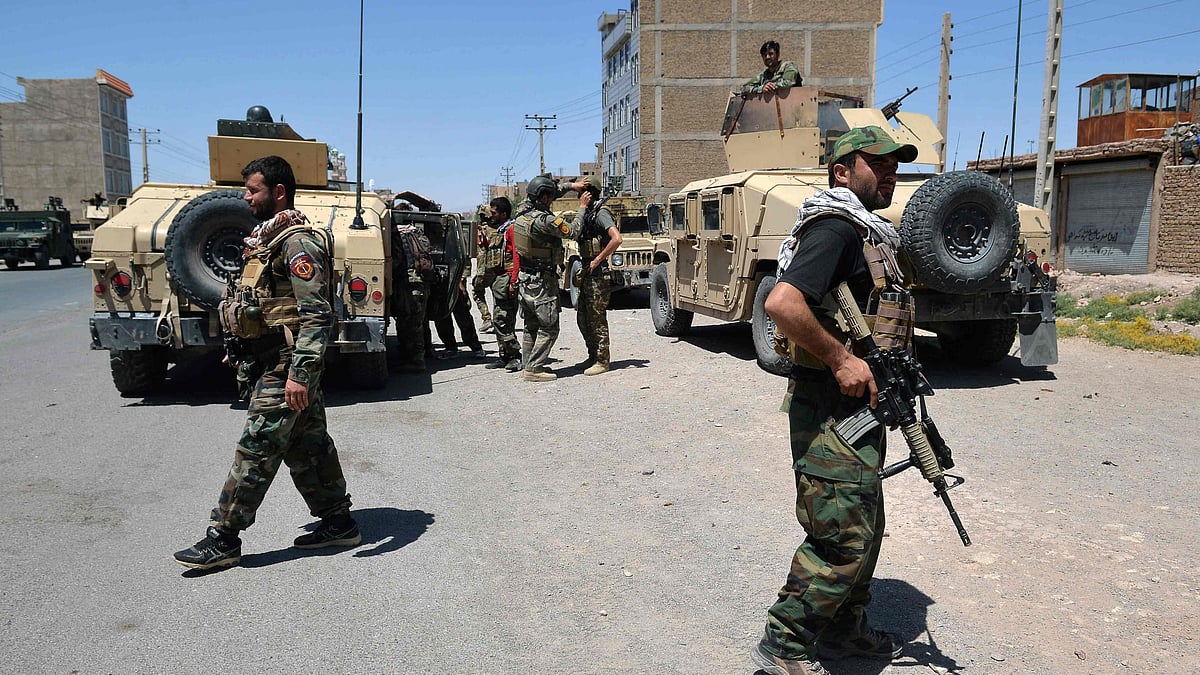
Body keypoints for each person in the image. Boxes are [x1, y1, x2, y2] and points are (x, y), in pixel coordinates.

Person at [751, 126, 918, 675]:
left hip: (860, 410)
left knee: (864, 524)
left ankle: (845, 631)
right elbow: (782, 303)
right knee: (842, 533)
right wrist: (841, 359)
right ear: (842, 172)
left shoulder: (871, 234)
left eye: (896, 163)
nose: (890, 171)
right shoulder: (835, 229)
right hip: (829, 409)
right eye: (878, 162)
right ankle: (787, 642)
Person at [173, 155, 359, 571]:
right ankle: (339, 522)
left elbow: (316, 315)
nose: (245, 198)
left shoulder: (297, 243)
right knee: (308, 446)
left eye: (253, 190)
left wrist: (300, 375)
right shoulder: (266, 241)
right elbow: (260, 304)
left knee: (256, 448)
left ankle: (223, 537)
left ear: (278, 192)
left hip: (287, 365)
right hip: (270, 360)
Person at [513, 173, 589, 382]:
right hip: (541, 281)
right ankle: (535, 369)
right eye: (550, 195)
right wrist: (582, 207)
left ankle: (528, 362)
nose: (552, 198)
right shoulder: (545, 221)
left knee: (530, 324)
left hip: (525, 278)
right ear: (544, 197)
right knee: (549, 327)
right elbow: (572, 231)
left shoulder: (521, 211)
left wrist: (572, 186)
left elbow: (549, 191)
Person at [572, 183, 622, 375]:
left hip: (598, 272)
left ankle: (602, 360)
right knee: (583, 317)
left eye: (580, 194)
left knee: (596, 318)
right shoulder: (588, 213)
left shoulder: (601, 213)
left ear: (588, 195)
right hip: (587, 270)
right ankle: (592, 356)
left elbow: (617, 239)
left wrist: (599, 258)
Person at [480, 196, 523, 372]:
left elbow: (517, 255)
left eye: (494, 213)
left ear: (504, 214)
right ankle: (504, 355)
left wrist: (514, 280)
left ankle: (515, 355)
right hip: (498, 280)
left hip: (507, 279)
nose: (491, 216)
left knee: (502, 318)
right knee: (501, 318)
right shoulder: (499, 230)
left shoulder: (511, 229)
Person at [391, 216, 434, 374]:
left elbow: (395, 261)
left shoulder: (398, 235)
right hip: (423, 282)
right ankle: (426, 351)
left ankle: (415, 361)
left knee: (408, 323)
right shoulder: (419, 234)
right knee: (421, 320)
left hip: (408, 283)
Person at [471, 207, 496, 333]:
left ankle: (487, 318)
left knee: (477, 292)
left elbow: (482, 253)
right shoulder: (498, 229)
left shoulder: (481, 231)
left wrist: (480, 273)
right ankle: (498, 321)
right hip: (498, 269)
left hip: (485, 269)